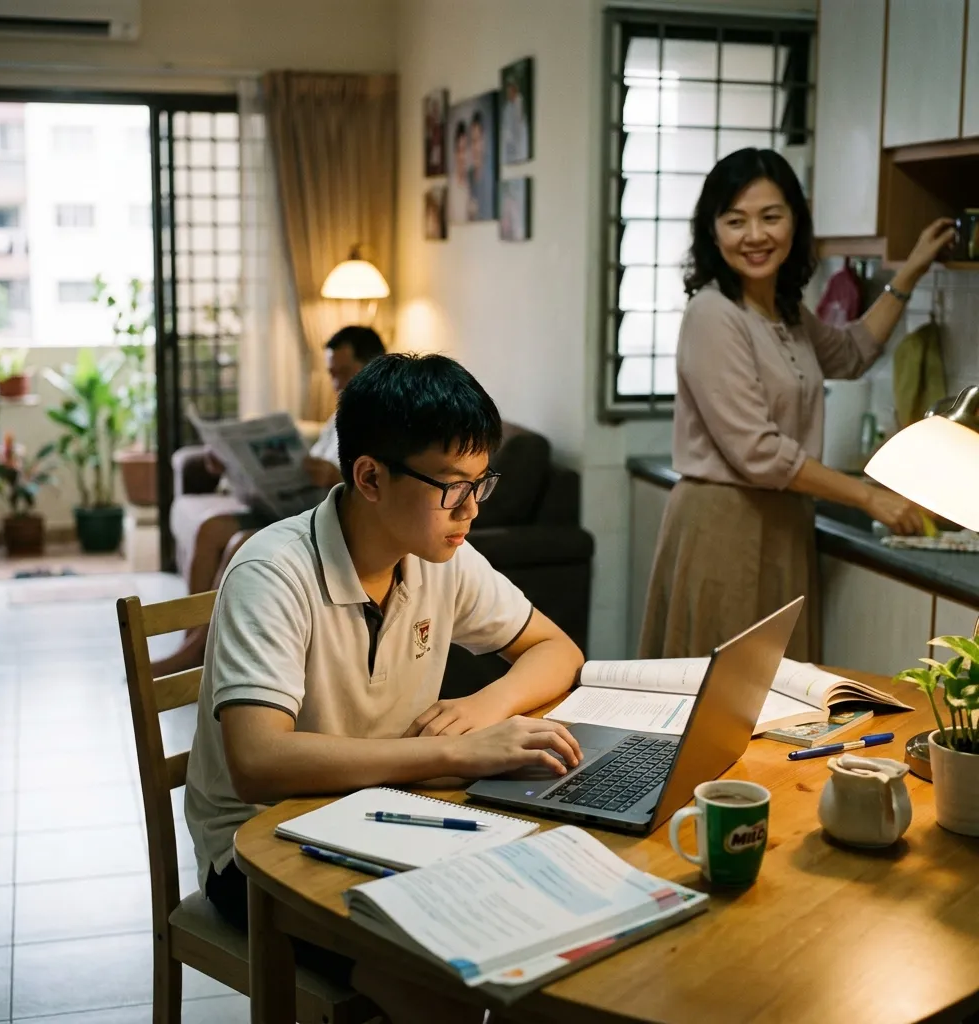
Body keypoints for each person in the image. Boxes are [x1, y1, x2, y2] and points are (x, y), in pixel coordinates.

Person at [185, 352, 584, 1023]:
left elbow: (556, 649)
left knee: (540, 937)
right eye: (453, 488)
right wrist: (457, 754)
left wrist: (483, 708)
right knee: (444, 986)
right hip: (259, 847)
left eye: (481, 485)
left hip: (381, 811)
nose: (470, 512)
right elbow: (258, 764)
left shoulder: (440, 557)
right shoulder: (274, 571)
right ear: (369, 477)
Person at [639, 148, 955, 664]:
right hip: (723, 523)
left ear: (795, 222)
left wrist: (911, 271)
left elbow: (852, 353)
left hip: (783, 521)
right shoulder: (713, 313)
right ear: (713, 232)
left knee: (776, 695)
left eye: (770, 216)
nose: (755, 235)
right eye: (736, 220)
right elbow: (758, 452)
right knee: (722, 696)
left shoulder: (786, 313)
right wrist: (869, 497)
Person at [150, 326, 385, 677]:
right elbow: (308, 461)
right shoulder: (341, 414)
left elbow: (382, 485)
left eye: (342, 373)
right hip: (292, 507)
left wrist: (335, 477)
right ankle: (190, 642)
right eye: (331, 373)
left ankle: (203, 652)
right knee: (210, 529)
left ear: (371, 366)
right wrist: (231, 463)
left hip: (325, 518)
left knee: (239, 544)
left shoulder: (385, 419)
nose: (335, 383)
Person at [468, 110, 492, 221]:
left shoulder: (490, 176)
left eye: (478, 140)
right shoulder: (469, 176)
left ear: (484, 140)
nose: (475, 147)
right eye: (472, 141)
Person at [448, 121, 471, 224]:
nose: (462, 157)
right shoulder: (450, 188)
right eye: (459, 150)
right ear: (455, 154)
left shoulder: (473, 185)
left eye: (465, 150)